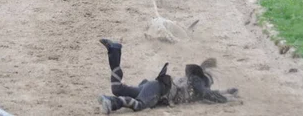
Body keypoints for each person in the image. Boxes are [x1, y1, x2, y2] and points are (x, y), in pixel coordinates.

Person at [97, 39, 239, 114]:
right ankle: (112, 103)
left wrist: (227, 92)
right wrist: (226, 99)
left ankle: (114, 51)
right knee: (140, 105)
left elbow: (208, 93)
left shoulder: (194, 84)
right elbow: (207, 93)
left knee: (118, 89)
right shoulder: (197, 81)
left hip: (153, 87)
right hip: (158, 89)